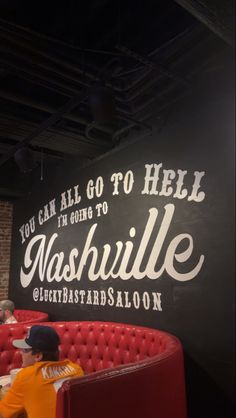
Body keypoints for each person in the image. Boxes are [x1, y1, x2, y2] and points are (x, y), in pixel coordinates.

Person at [0, 325, 84, 418]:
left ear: (38, 356)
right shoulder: (76, 370)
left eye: (25, 350)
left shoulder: (25, 377)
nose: (21, 353)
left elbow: (3, 414)